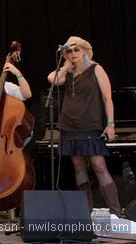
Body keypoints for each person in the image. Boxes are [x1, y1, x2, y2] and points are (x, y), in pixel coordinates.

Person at [47, 36, 121, 216]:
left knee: (98, 165)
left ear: (84, 51)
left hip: (90, 123)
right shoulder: (68, 73)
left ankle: (116, 212)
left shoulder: (96, 69)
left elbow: (107, 99)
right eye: (69, 51)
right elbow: (52, 80)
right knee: (78, 166)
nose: (73, 54)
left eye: (76, 50)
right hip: (69, 124)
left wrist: (110, 124)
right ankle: (84, 212)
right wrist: (66, 65)